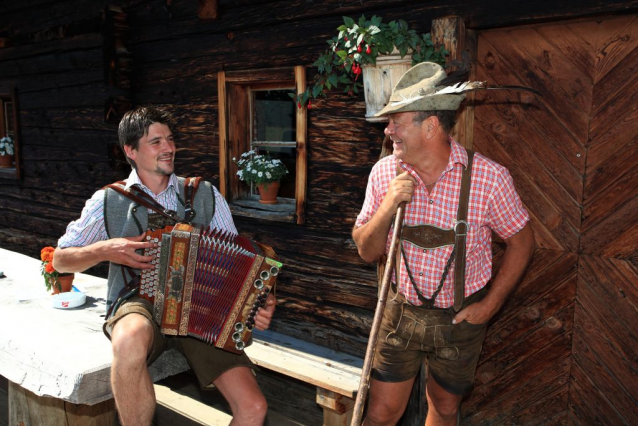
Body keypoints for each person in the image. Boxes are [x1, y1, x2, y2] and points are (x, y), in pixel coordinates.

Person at [53, 106, 276, 426]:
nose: (168, 148)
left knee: (253, 408)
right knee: (128, 341)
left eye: (170, 139)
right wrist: (106, 249)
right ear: (130, 150)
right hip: (137, 302)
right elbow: (60, 259)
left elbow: (239, 264)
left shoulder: (204, 193)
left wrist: (258, 302)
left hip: (201, 310)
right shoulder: (109, 200)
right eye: (156, 142)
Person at [352, 62, 535, 426]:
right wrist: (388, 205)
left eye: (396, 122)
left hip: (460, 318)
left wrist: (491, 305)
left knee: (445, 408)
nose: (388, 132)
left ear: (431, 125)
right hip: (400, 312)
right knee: (382, 412)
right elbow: (366, 250)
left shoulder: (489, 178)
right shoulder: (385, 173)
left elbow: (523, 242)